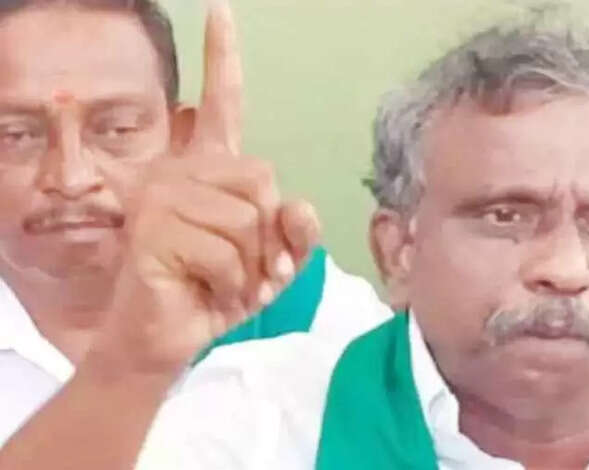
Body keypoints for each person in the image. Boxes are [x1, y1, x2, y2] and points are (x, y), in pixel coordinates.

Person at [135, 16, 589, 469]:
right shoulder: (260, 423)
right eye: (505, 215)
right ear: (398, 251)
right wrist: (129, 360)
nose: (563, 268)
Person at [0, 0, 388, 464]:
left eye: (118, 129)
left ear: (181, 138)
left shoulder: (299, 306)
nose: (72, 178)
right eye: (15, 136)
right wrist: (133, 361)